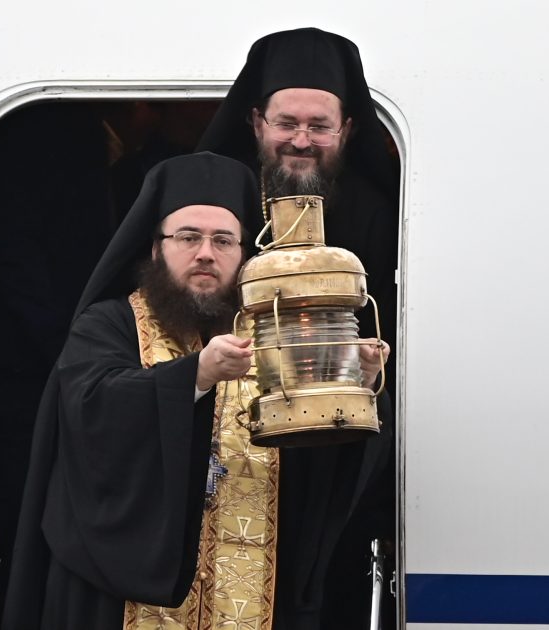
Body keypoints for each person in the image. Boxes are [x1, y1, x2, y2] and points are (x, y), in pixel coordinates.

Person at [1, 151, 391, 630]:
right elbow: (91, 414)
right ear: (155, 249)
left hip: (250, 594)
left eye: (223, 240)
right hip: (123, 603)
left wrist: (357, 382)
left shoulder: (275, 335)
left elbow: (319, 467)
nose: (206, 253)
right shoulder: (108, 325)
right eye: (188, 237)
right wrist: (196, 376)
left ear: (244, 255)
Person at [197, 27, 400, 627]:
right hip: (222, 443)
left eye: (319, 126)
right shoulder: (211, 204)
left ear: (348, 130)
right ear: (256, 122)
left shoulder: (376, 211)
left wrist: (371, 365)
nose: (302, 140)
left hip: (332, 447)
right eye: (287, 123)